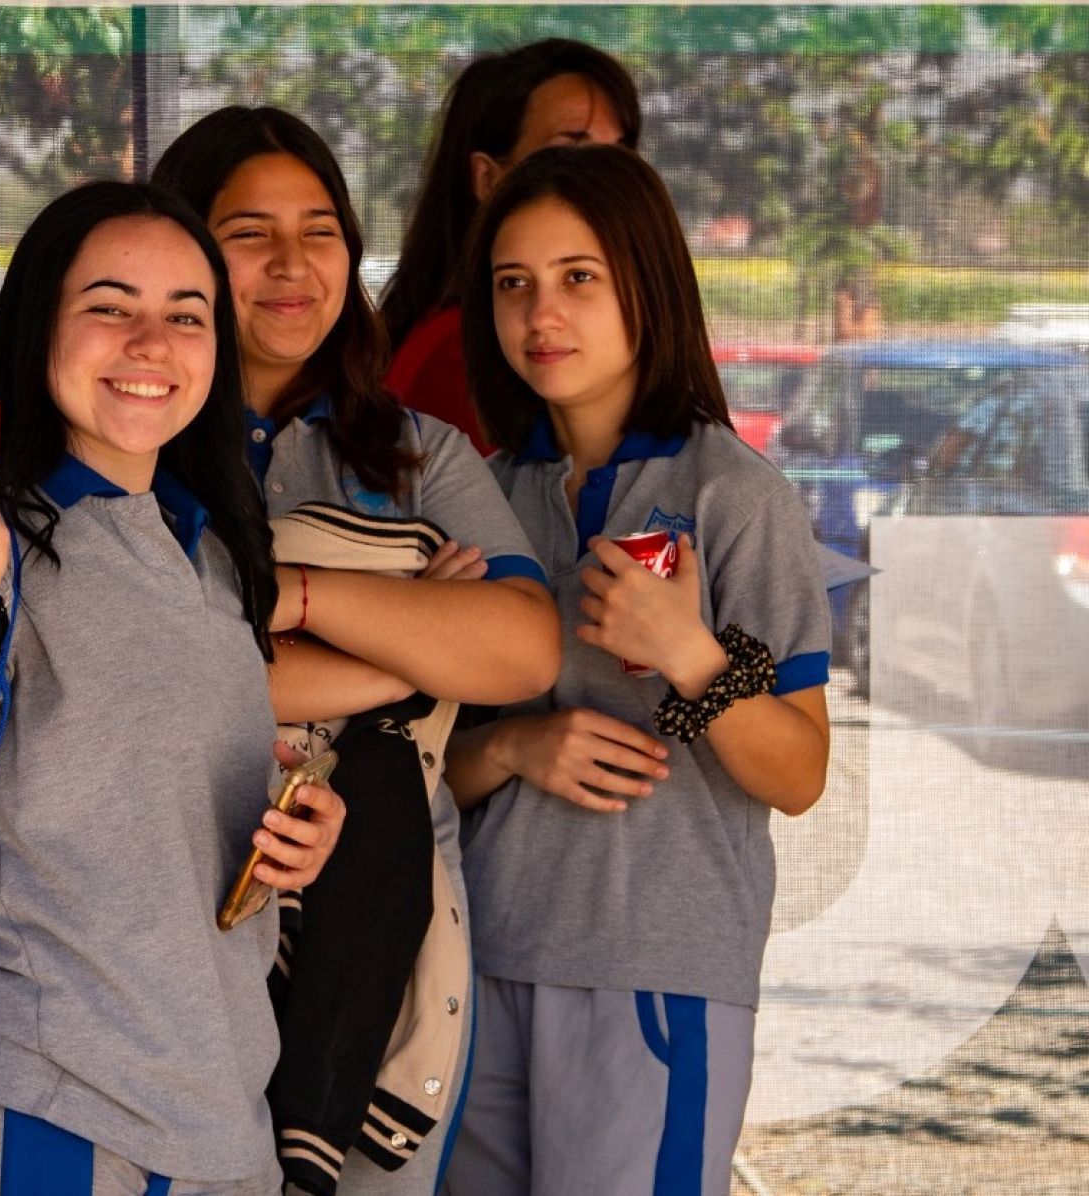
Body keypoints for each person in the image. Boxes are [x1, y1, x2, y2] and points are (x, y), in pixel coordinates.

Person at [0, 180, 347, 1195]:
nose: (151, 341)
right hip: (51, 1113)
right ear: (40, 326)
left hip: (221, 1108)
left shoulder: (204, 541)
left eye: (186, 315)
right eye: (110, 305)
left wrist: (301, 839)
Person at [152, 106, 559, 1195]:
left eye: (320, 228)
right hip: (166, 916)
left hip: (386, 960)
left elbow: (520, 650)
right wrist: (411, 642)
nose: (293, 264)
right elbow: (173, 674)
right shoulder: (133, 440)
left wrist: (295, 593)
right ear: (176, 244)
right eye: (249, 232)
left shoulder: (418, 452)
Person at [443, 144, 832, 1195]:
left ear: (647, 287)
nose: (540, 315)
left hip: (653, 972)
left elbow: (800, 773)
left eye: (579, 278)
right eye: (513, 284)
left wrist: (688, 651)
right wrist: (517, 745)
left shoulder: (733, 494)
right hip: (475, 966)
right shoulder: (481, 493)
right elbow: (423, 761)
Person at [382, 39, 641, 451]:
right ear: (487, 178)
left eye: (620, 156)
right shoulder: (463, 350)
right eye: (571, 152)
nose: (605, 185)